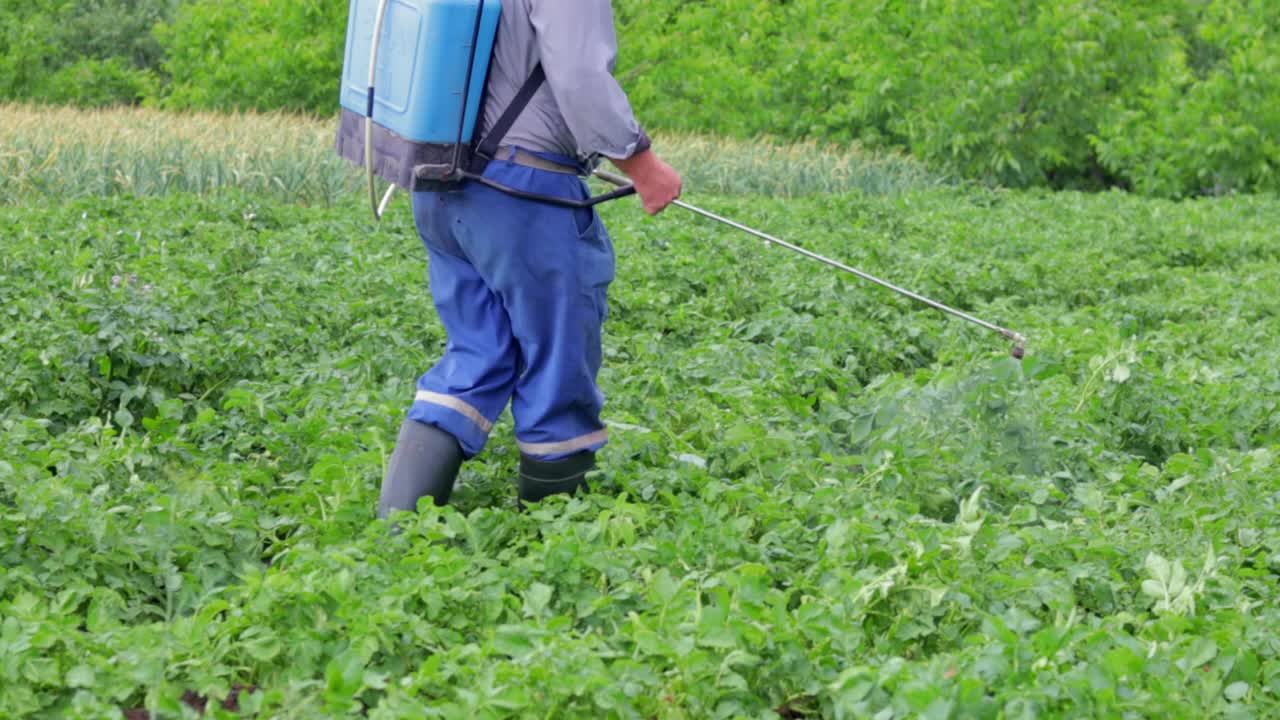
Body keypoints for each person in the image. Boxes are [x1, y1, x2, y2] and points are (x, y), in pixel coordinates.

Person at [377, 0, 683, 518]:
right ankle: (552, 544)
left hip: (437, 181)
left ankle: (396, 533)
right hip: (521, 191)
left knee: (476, 354)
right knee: (559, 360)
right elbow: (581, 75)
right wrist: (643, 164)